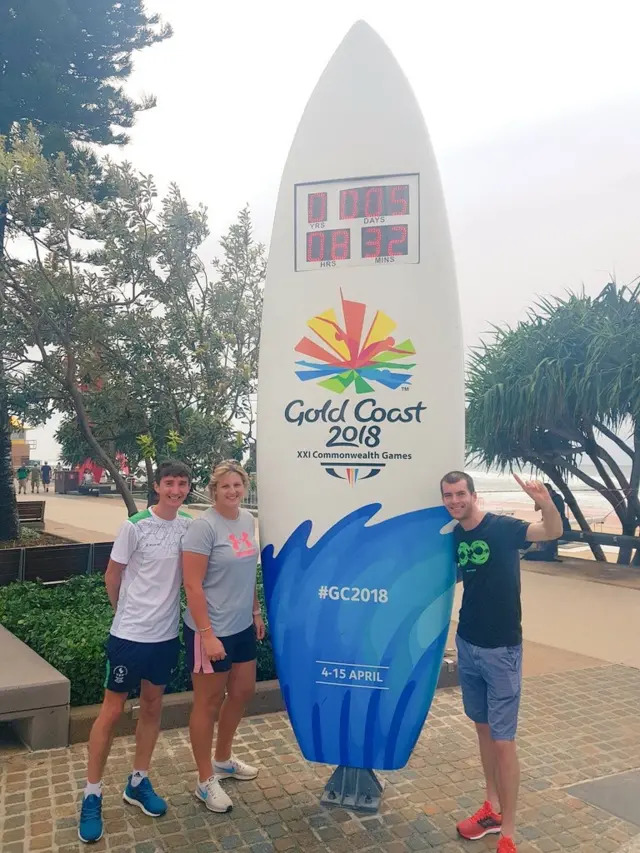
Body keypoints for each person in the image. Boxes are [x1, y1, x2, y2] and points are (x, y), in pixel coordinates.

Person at [440, 471, 562, 853]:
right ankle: (490, 809)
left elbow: (552, 532)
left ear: (473, 495)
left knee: (504, 741)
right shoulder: (456, 535)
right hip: (468, 643)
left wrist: (544, 501)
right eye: (448, 496)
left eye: (460, 493)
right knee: (482, 729)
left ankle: (508, 832)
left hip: (502, 651)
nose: (455, 500)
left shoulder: (503, 528)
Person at [78, 460, 193, 844]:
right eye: (169, 483)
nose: (176, 490)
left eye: (182, 484)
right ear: (157, 486)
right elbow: (113, 576)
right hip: (128, 637)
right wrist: (123, 615)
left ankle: (137, 781)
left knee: (152, 706)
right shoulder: (135, 525)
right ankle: (92, 794)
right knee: (110, 712)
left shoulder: (188, 527)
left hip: (164, 637)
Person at [182, 459, 265, 813]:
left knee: (244, 690)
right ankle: (204, 781)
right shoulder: (203, 527)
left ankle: (223, 759)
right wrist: (207, 634)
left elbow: (247, 573)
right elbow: (192, 584)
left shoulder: (247, 520)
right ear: (214, 490)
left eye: (237, 485)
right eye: (225, 486)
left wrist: (255, 610)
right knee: (208, 702)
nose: (232, 491)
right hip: (209, 630)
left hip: (241, 626)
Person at [523, 483, 571, 562]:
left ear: (549, 491)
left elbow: (557, 514)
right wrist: (537, 499)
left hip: (559, 524)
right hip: (548, 523)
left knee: (545, 534)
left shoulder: (557, 498)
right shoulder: (545, 498)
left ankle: (546, 553)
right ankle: (542, 552)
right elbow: (536, 508)